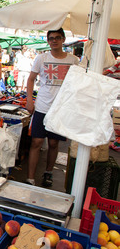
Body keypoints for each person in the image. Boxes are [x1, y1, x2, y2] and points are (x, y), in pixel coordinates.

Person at [25, 28, 79, 188]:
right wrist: (29, 100)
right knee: (36, 142)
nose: (54, 41)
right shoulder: (41, 58)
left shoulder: (73, 60)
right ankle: (30, 178)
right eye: (51, 38)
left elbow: (77, 84)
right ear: (48, 41)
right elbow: (30, 79)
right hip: (42, 106)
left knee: (54, 143)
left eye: (57, 38)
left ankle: (48, 173)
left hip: (60, 109)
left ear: (63, 39)